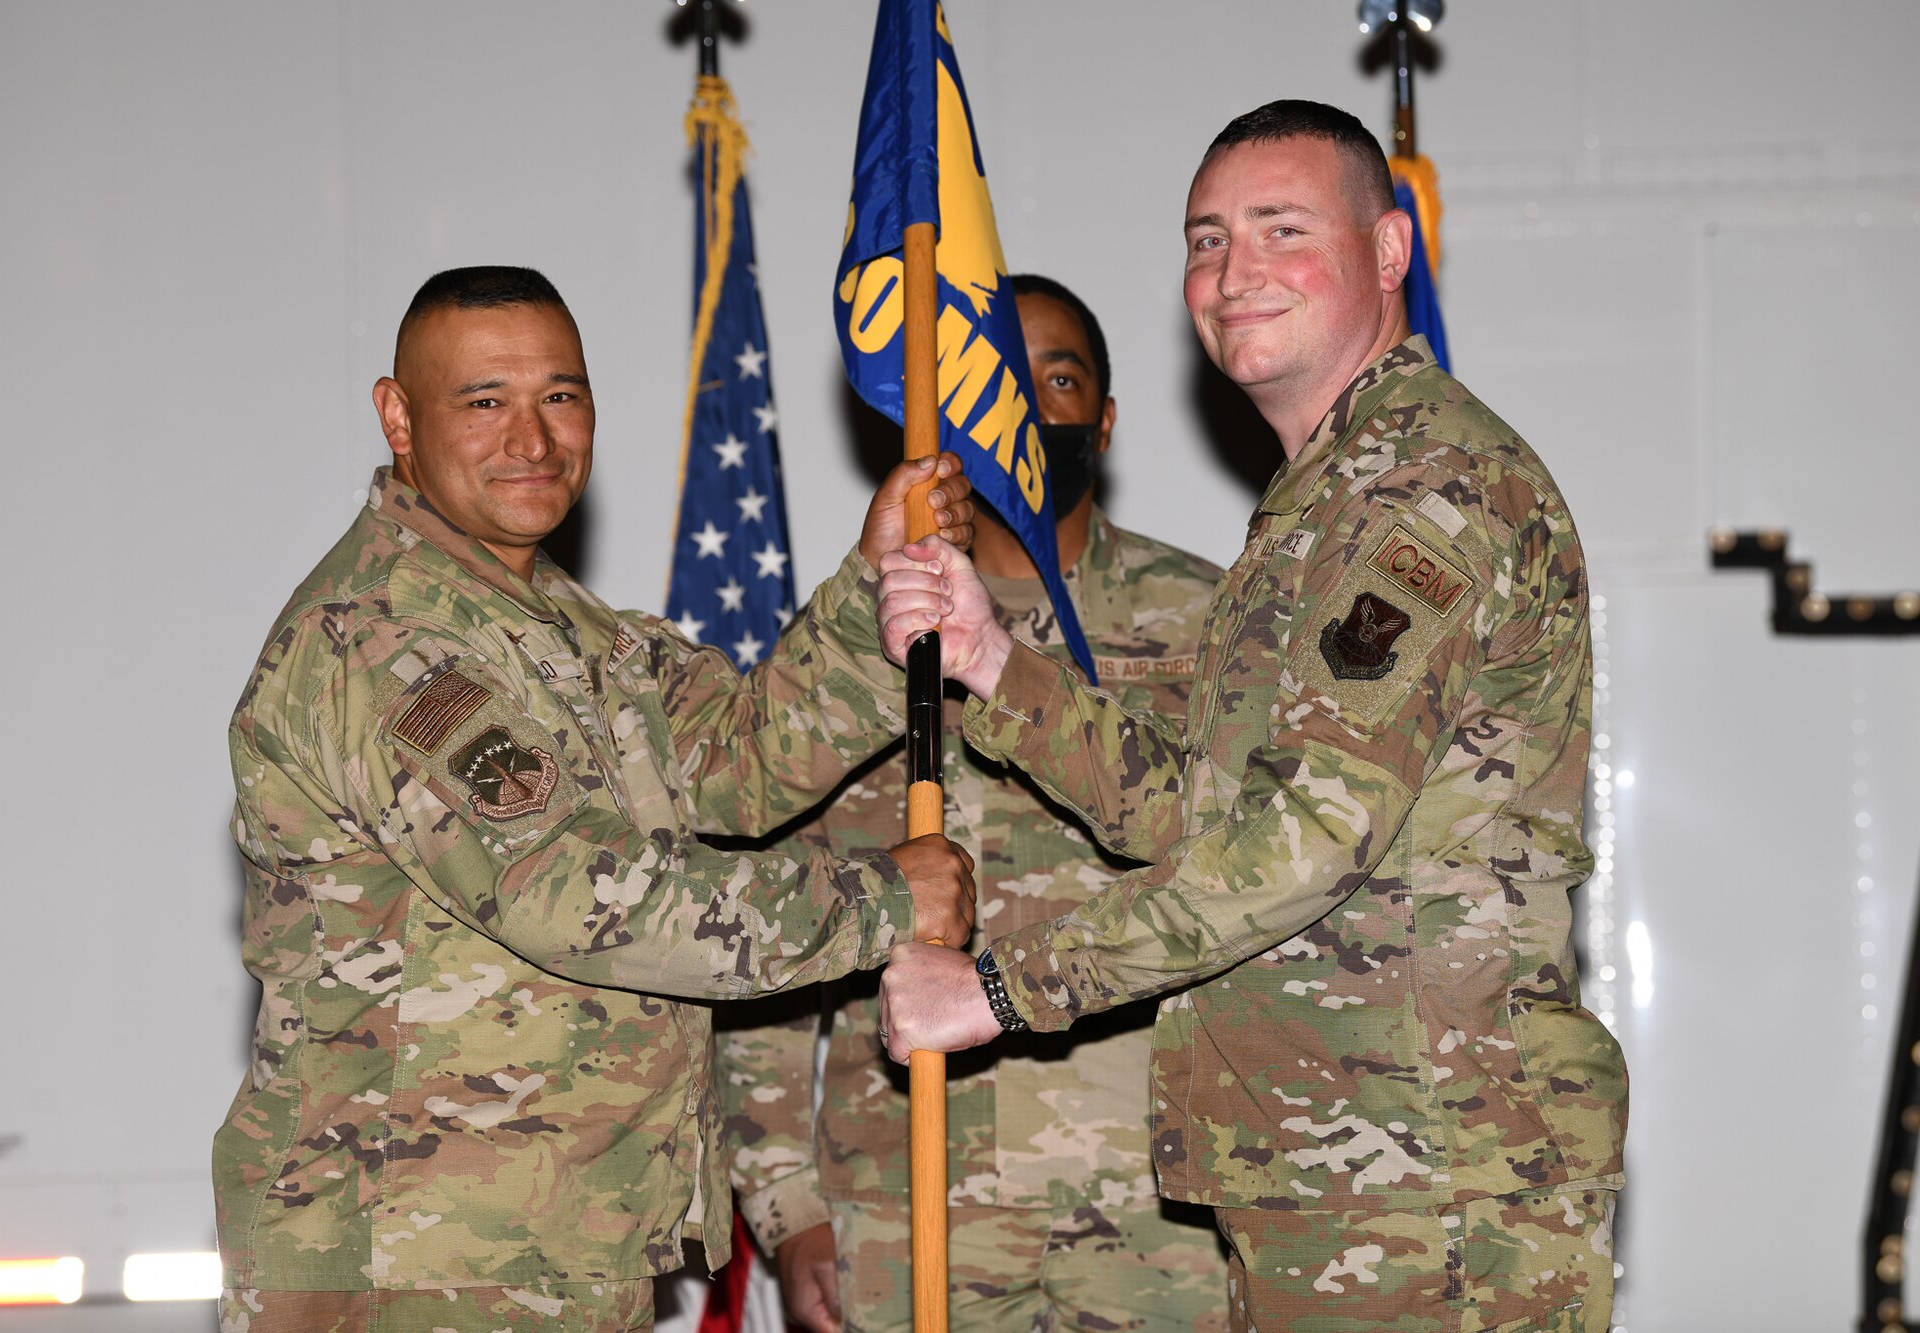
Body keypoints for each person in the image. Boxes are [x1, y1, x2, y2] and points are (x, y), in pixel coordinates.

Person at [875, 102, 1629, 1332]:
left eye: (1281, 229)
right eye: (1205, 240)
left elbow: (1301, 843)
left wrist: (1001, 991)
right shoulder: (1318, 503)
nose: (1232, 273)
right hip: (1330, 1165)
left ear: (1387, 253)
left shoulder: (1423, 487)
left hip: (1425, 1179)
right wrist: (991, 663)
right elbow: (1206, 814)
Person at [215, 266, 979, 1333]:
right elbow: (580, 896)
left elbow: (744, 757)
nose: (531, 439)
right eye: (484, 401)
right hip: (415, 1264)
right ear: (397, 416)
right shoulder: (384, 641)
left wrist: (871, 577)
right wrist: (880, 904)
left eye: (559, 397)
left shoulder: (564, 628)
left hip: (545, 1245)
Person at [715, 275, 1228, 1333]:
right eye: (1000, 384)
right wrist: (787, 1204)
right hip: (908, 1194)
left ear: (1107, 416)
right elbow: (772, 922)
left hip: (1157, 1206)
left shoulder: (1210, 621)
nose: (1031, 410)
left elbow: (1256, 880)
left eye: (1060, 380)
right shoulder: (862, 644)